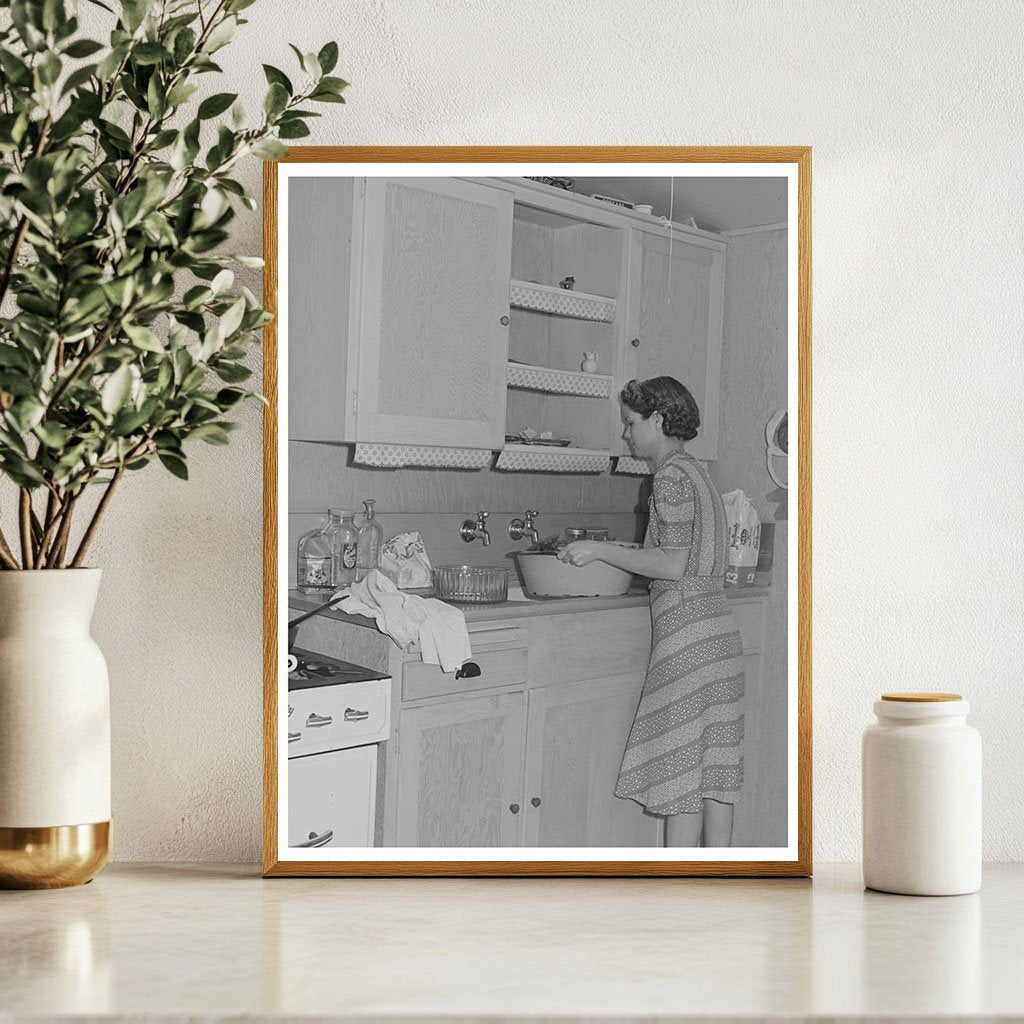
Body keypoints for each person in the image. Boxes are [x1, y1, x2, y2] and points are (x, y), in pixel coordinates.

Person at [557, 376, 745, 847]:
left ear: (657, 420)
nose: (625, 434)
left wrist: (598, 552)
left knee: (681, 777)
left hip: (687, 639)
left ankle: (678, 901)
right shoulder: (698, 473)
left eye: (630, 422)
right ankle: (718, 889)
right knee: (715, 774)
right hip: (720, 636)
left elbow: (671, 564)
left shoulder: (669, 477)